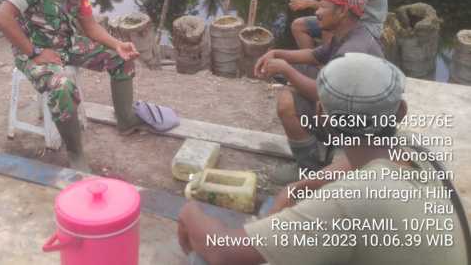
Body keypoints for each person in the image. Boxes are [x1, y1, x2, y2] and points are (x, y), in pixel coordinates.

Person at [178, 53, 469, 265]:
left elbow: (225, 253)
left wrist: (189, 212)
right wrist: (297, 188)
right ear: (400, 113)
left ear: (321, 115)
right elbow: (353, 165)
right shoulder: (413, 150)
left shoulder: (352, 199)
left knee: (201, 260)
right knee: (277, 208)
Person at [0, 0, 144, 172]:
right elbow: (2, 18)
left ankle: (127, 121)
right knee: (63, 86)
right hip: (34, 53)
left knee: (120, 58)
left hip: (66, 44)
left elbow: (90, 26)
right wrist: (34, 53)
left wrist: (118, 44)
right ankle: (76, 154)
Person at [254, 0, 383, 180]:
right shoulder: (349, 34)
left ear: (342, 11)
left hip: (363, 128)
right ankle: (321, 157)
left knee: (287, 102)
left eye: (323, 7)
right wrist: (277, 53)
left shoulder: (352, 48)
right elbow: (315, 55)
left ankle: (310, 171)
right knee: (298, 77)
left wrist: (285, 69)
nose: (317, 12)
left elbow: (324, 94)